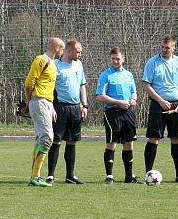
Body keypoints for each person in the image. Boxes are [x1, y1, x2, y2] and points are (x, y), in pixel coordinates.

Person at [142, 34, 178, 183]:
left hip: (176, 106)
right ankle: (148, 174)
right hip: (158, 105)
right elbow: (147, 85)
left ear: (173, 48)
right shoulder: (152, 62)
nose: (164, 50)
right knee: (154, 139)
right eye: (163, 47)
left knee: (177, 139)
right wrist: (160, 100)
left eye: (168, 47)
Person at [24, 37, 64, 187]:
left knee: (41, 138)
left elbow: (49, 87)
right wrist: (30, 101)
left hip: (46, 102)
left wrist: (51, 106)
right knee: (47, 138)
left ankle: (35, 175)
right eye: (62, 49)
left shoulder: (53, 64)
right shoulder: (41, 60)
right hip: (39, 100)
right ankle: (35, 176)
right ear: (57, 48)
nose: (62, 52)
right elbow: (29, 83)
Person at [95, 47, 139, 183]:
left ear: (123, 59)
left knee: (128, 143)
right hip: (112, 113)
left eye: (118, 59)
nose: (115, 61)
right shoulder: (106, 75)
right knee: (112, 143)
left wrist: (133, 99)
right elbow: (100, 96)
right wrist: (118, 102)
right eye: (113, 59)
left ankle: (129, 176)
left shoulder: (129, 75)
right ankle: (109, 176)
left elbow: (134, 92)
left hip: (128, 113)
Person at [47, 39, 88, 185]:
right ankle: (50, 175)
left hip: (75, 108)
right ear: (69, 50)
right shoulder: (55, 65)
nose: (80, 54)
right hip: (60, 107)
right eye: (78, 52)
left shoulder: (79, 64)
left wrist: (85, 105)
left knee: (72, 141)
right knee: (56, 141)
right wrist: (51, 107)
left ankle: (70, 175)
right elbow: (50, 88)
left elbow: (82, 85)